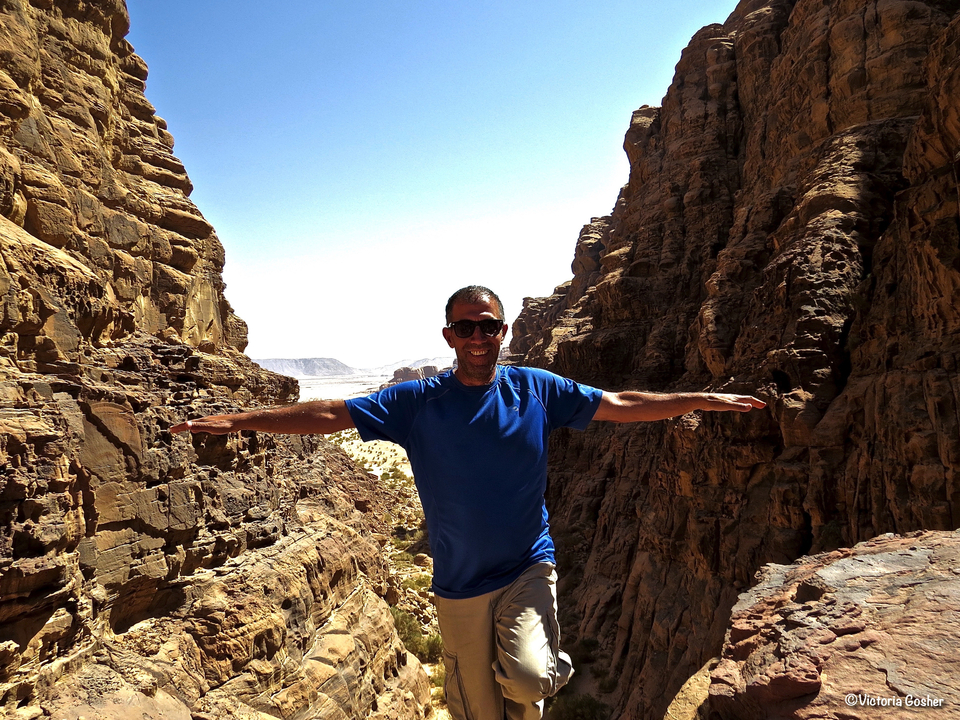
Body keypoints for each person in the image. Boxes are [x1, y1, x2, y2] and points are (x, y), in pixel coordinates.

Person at [172, 285, 765, 720]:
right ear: (449, 335)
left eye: (489, 326)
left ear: (503, 332)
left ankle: (542, 673)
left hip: (527, 566)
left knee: (529, 680)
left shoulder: (537, 388)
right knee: (476, 712)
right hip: (458, 584)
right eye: (467, 327)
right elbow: (329, 415)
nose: (479, 337)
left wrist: (696, 398)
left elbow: (621, 403)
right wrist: (238, 419)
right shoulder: (417, 401)